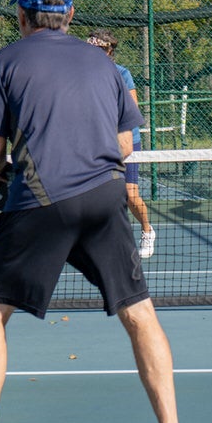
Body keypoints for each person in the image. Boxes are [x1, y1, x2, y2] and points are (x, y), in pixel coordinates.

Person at [0, 0, 192, 423]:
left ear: (20, 14)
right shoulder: (105, 66)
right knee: (139, 312)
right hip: (106, 198)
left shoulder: (5, 61)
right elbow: (126, 146)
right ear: (71, 15)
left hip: (40, 200)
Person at [85, 29, 156, 259]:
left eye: (102, 49)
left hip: (126, 140)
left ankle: (147, 230)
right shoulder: (82, 73)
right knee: (94, 193)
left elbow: (132, 108)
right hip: (98, 140)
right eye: (93, 48)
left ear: (110, 51)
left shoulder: (122, 74)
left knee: (129, 194)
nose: (97, 53)